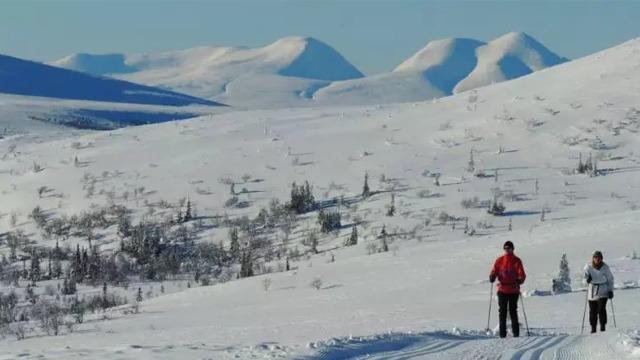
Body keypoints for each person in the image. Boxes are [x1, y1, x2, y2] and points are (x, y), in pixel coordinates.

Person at [489, 241, 526, 338]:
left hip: (513, 290)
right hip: (502, 290)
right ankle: (502, 335)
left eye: (509, 248)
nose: (507, 250)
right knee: (502, 312)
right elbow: (494, 271)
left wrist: (520, 280)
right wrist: (492, 276)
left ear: (513, 249)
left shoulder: (517, 261)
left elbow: (522, 274)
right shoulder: (499, 260)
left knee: (513, 311)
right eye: (505, 248)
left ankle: (516, 334)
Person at [584, 250, 614, 333]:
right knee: (592, 311)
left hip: (603, 290)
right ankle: (593, 328)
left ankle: (603, 326)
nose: (597, 259)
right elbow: (583, 279)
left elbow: (610, 279)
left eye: (599, 257)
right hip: (592, 291)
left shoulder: (605, 267)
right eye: (595, 257)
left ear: (601, 259)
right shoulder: (588, 267)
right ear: (593, 258)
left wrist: (610, 290)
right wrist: (587, 280)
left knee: (601, 309)